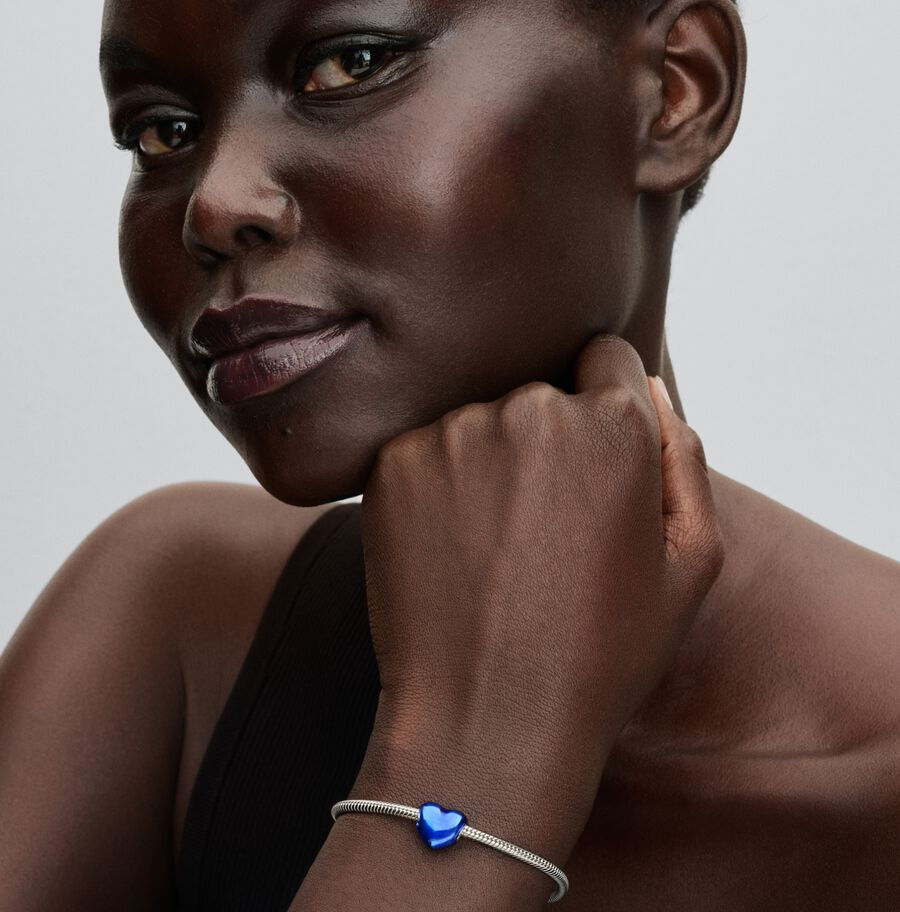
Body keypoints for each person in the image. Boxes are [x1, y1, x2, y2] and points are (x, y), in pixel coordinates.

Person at [1, 0, 898, 909]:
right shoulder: (180, 641)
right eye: (164, 129)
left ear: (674, 90)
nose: (214, 203)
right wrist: (467, 776)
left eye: (347, 65)